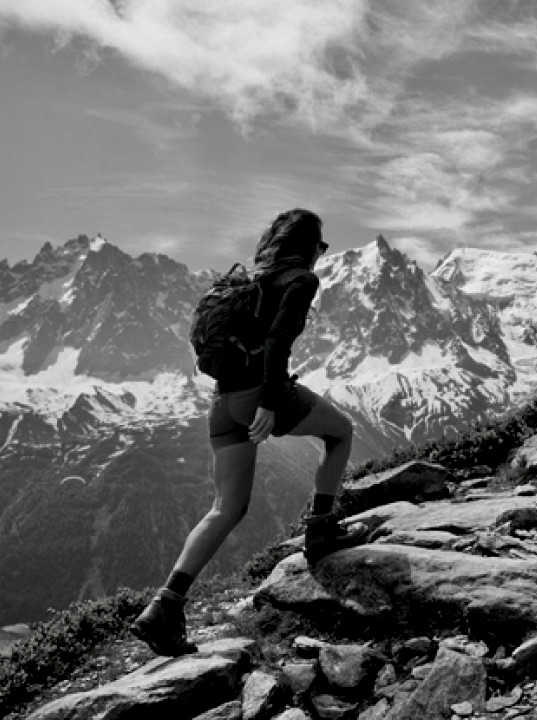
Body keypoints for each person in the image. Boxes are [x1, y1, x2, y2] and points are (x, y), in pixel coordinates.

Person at [131, 208, 367, 656]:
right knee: (340, 432)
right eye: (321, 244)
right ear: (307, 247)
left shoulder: (251, 280)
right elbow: (279, 341)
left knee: (226, 508)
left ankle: (165, 606)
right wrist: (270, 400)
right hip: (259, 394)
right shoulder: (300, 280)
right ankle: (320, 529)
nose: (323, 253)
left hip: (221, 404)